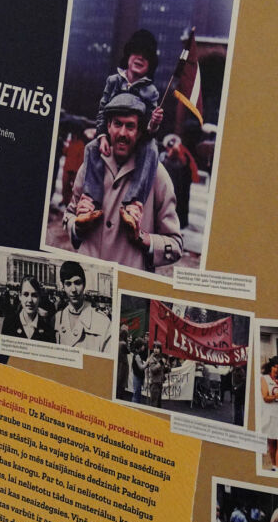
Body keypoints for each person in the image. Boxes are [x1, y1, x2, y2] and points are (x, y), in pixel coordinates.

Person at [65, 91, 184, 271]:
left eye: (130, 126)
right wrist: (79, 225)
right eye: (117, 124)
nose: (122, 133)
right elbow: (68, 216)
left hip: (128, 284)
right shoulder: (91, 164)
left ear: (140, 131)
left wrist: (140, 237)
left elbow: (175, 245)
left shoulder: (157, 175)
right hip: (87, 278)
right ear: (108, 126)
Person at [71, 29, 164, 235]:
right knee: (92, 148)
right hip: (111, 134)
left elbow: (148, 128)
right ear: (128, 57)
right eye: (136, 53)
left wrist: (154, 124)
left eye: (146, 56)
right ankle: (91, 202)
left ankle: (133, 205)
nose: (140, 58)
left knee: (151, 149)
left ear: (150, 64)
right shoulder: (113, 81)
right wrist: (102, 134)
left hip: (137, 139)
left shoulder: (152, 91)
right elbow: (103, 110)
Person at [53, 260, 110, 352]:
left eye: (77, 283)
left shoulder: (103, 322)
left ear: (84, 284)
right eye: (68, 284)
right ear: (63, 286)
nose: (73, 289)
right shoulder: (56, 319)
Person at [3, 277, 54, 342]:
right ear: (20, 296)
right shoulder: (9, 323)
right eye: (26, 294)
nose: (30, 300)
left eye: (34, 295)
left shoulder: (47, 328)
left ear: (39, 298)